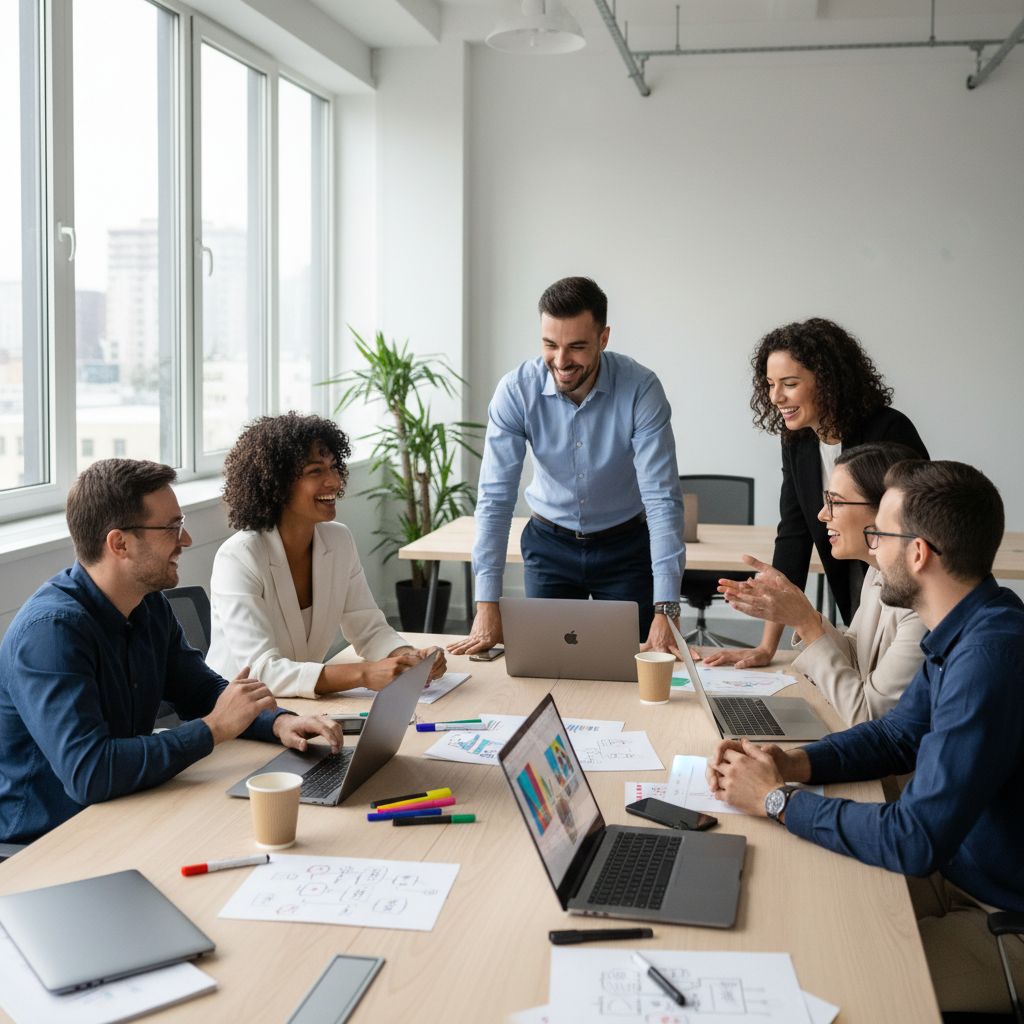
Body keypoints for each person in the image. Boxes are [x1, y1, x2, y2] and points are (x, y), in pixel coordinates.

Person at [707, 461, 1024, 1014]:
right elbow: (899, 736)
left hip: (1000, 914)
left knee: (832, 980)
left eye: (881, 535)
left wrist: (774, 801)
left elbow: (913, 837)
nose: (872, 549)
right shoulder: (969, 623)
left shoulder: (989, 659)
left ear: (919, 553)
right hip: (959, 870)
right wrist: (791, 763)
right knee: (796, 907)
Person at [0, 459, 341, 846]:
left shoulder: (148, 605)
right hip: (48, 841)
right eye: (172, 528)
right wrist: (214, 729)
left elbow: (200, 692)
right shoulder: (51, 634)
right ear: (119, 543)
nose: (187, 539)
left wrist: (277, 723)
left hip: (125, 807)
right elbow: (90, 774)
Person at [448, 277, 685, 657]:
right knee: (546, 667)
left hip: (625, 549)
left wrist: (666, 609)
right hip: (549, 547)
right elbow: (495, 498)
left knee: (632, 668)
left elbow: (661, 499)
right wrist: (486, 603)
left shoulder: (640, 389)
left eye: (576, 347)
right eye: (550, 345)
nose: (560, 361)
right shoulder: (516, 391)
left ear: (603, 339)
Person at [705, 318, 927, 670]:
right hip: (853, 586)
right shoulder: (797, 440)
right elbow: (793, 534)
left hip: (900, 587)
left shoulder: (888, 430)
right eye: (770, 384)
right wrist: (766, 648)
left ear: (827, 382)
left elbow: (911, 525)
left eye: (790, 384)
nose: (776, 397)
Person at [207, 413, 445, 698]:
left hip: (299, 709)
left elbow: (368, 627)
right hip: (236, 716)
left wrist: (409, 657)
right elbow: (261, 671)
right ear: (276, 484)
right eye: (315, 471)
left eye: (334, 467)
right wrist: (364, 674)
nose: (334, 482)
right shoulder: (239, 557)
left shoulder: (338, 539)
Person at [717, 442, 926, 725]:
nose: (822, 514)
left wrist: (805, 623)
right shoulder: (877, 572)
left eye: (835, 502)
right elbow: (856, 656)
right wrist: (802, 612)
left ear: (885, 511)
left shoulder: (923, 606)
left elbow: (869, 718)